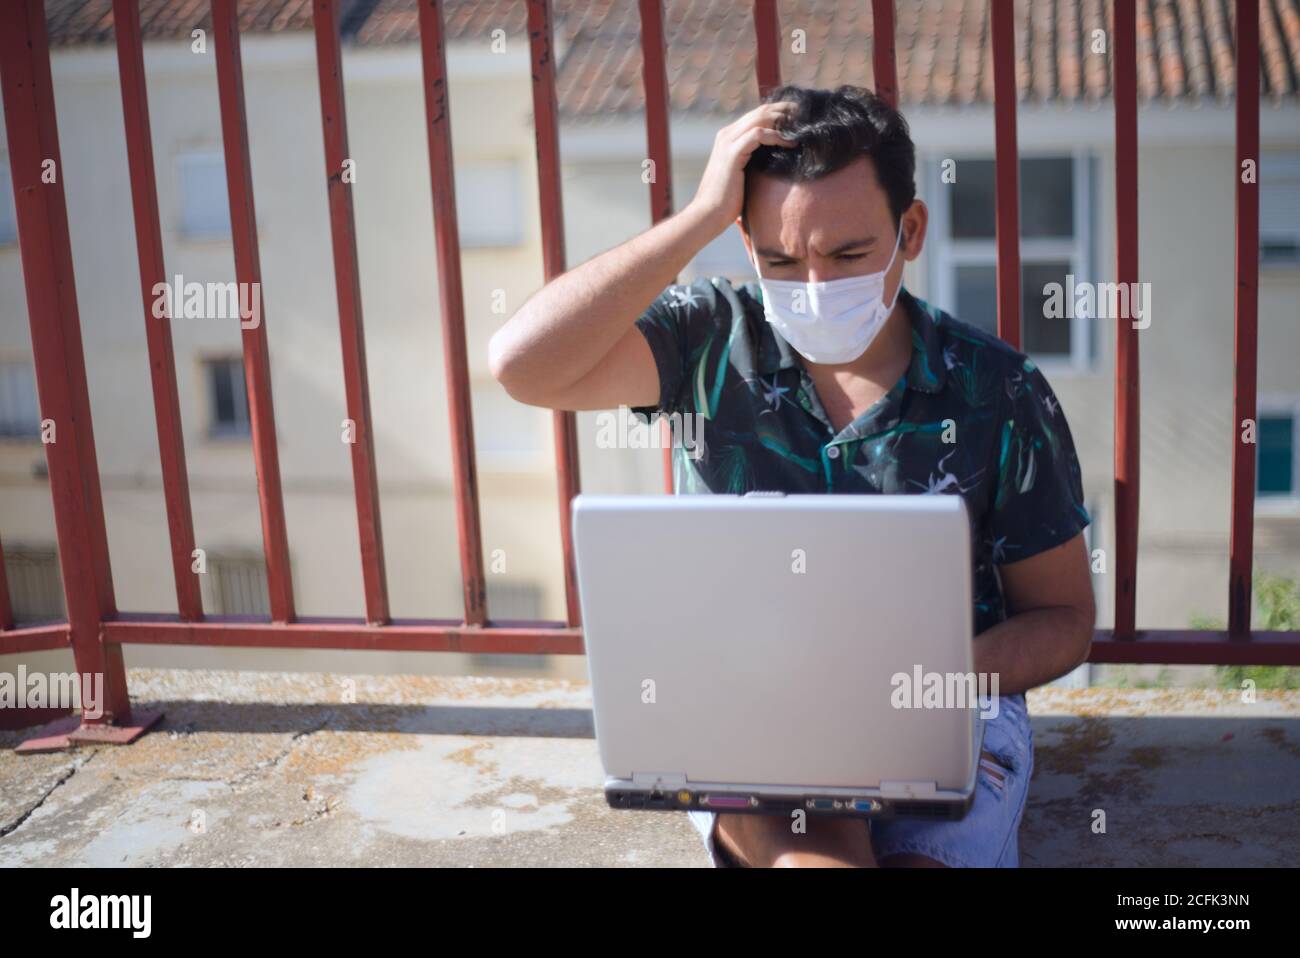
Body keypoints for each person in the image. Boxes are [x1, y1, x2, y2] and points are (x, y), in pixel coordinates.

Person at [489, 84, 1096, 867]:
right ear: (746, 245)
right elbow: (521, 365)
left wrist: (931, 682)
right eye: (779, 258)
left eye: (846, 256)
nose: (813, 287)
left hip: (947, 707)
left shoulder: (999, 390)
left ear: (910, 230)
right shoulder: (707, 340)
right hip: (748, 702)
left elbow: (1062, 618)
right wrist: (700, 217)